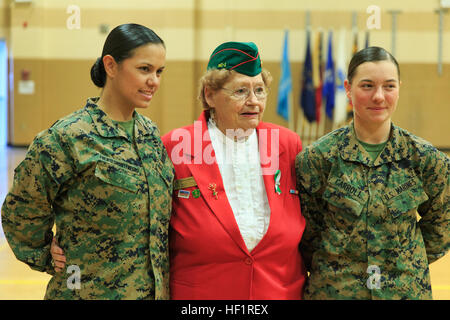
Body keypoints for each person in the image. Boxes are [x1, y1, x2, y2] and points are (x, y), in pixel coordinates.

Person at [1, 23, 174, 299]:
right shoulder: (67, 138)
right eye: (144, 69)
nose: (154, 80)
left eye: (159, 71)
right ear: (111, 66)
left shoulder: (150, 134)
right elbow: (21, 210)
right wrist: (46, 255)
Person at [296, 46, 450, 300]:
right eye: (367, 86)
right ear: (347, 88)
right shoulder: (318, 159)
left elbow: (441, 227)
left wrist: (404, 260)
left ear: (399, 87)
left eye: (389, 86)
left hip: (403, 292)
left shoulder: (426, 159)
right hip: (336, 293)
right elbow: (307, 235)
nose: (379, 96)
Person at [162, 41, 306, 299]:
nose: (254, 102)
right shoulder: (176, 146)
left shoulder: (288, 144)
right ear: (209, 95)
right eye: (241, 91)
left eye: (260, 91)